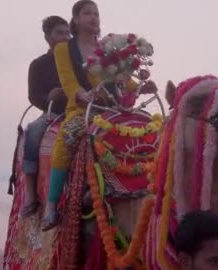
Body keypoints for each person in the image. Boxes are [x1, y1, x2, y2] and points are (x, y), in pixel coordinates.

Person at [42, 0, 157, 229]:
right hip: (82, 108)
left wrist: (140, 87)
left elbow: (120, 78)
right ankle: (51, 205)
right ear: (76, 19)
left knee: (149, 133)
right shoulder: (64, 49)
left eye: (96, 13)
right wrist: (80, 95)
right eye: (87, 13)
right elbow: (67, 80)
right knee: (67, 138)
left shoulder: (107, 47)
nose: (93, 17)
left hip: (113, 108)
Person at [20, 15, 70, 217]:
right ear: (47, 37)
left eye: (68, 33)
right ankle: (31, 195)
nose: (65, 37)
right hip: (53, 113)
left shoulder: (78, 61)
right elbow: (33, 95)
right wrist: (48, 97)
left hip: (82, 111)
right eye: (60, 33)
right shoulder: (38, 64)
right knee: (32, 133)